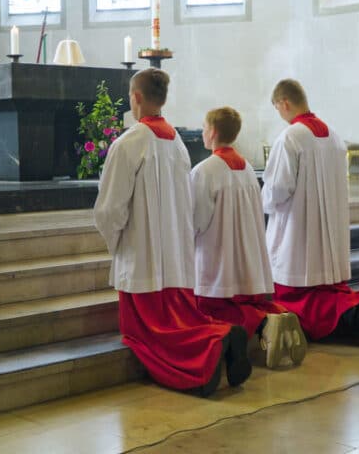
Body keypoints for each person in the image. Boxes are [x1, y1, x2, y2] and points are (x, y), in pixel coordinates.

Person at [94, 69, 251, 397]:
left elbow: (109, 209)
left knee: (148, 334)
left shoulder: (129, 144)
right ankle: (218, 334)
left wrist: (116, 244)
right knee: (178, 320)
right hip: (175, 261)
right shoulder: (178, 144)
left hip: (142, 259)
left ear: (136, 97)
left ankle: (212, 345)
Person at [262, 79, 359, 351]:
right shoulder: (334, 136)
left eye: (277, 108)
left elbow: (277, 189)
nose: (279, 113)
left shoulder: (291, 137)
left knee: (296, 300)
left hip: (299, 234)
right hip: (329, 237)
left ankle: (358, 313)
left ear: (284, 103)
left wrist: (262, 200)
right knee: (327, 289)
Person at [192, 106, 307, 369]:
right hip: (248, 259)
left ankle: (266, 323)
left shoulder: (204, 171)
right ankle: (277, 314)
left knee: (212, 310)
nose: (202, 133)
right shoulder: (246, 169)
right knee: (242, 302)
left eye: (204, 128)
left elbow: (196, 220)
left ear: (213, 131)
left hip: (218, 258)